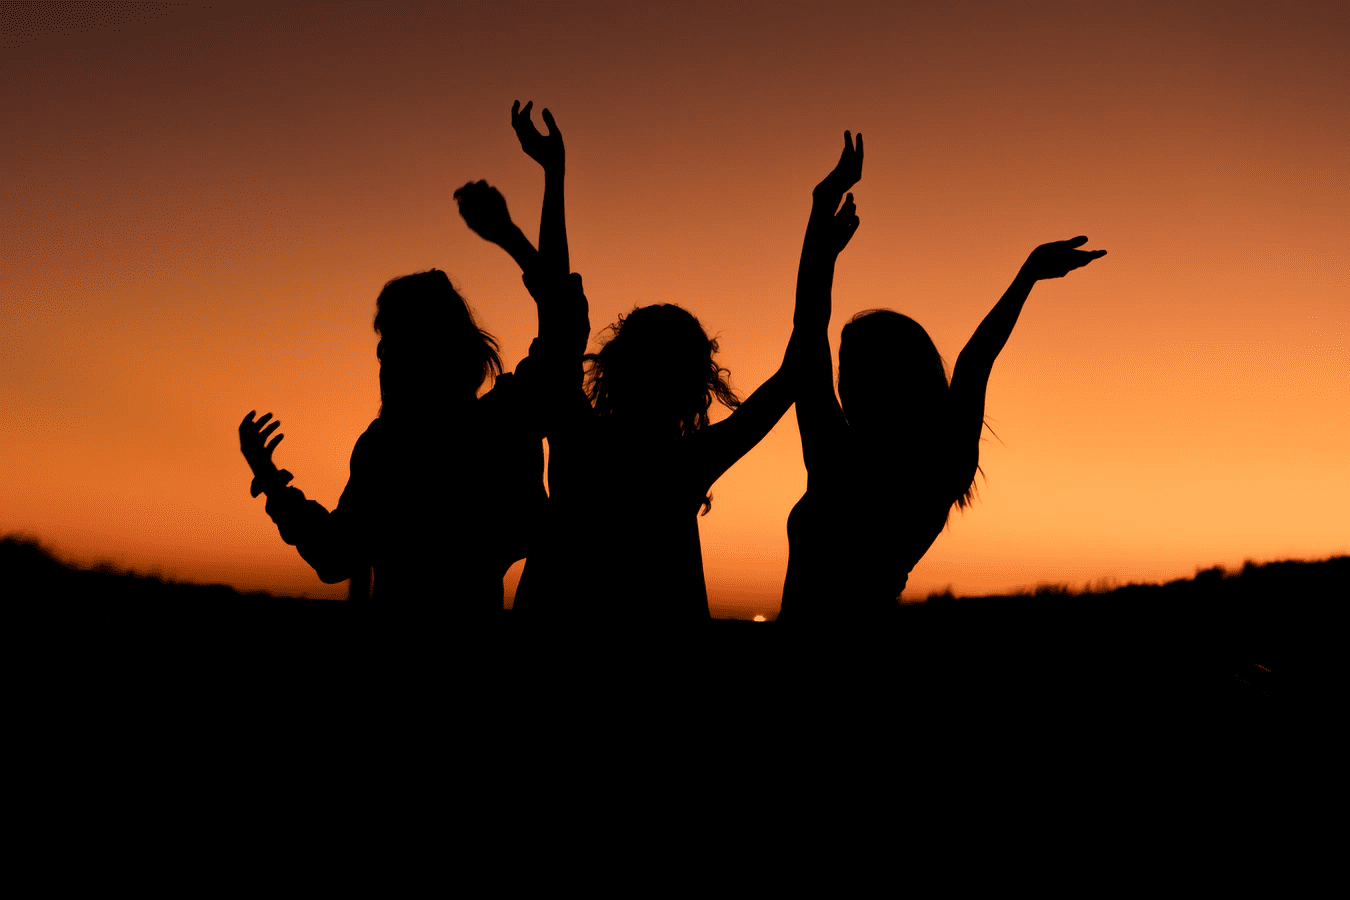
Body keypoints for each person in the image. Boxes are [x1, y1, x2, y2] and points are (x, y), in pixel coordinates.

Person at [468, 111, 862, 625]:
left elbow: (558, 310)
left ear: (614, 366)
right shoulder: (687, 462)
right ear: (697, 385)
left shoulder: (577, 433)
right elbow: (799, 363)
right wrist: (820, 240)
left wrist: (552, 177)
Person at [237, 116, 576, 613]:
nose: (380, 353)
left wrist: (270, 480)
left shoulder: (390, 448)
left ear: (423, 353)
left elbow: (334, 556)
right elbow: (563, 324)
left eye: (391, 339)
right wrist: (531, 206)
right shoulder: (499, 425)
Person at [779, 133, 1107, 622]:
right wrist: (1027, 276)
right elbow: (974, 360)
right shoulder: (939, 466)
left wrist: (820, 218)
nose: (842, 381)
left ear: (886, 378)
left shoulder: (837, 457)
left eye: (852, 367)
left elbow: (808, 327)